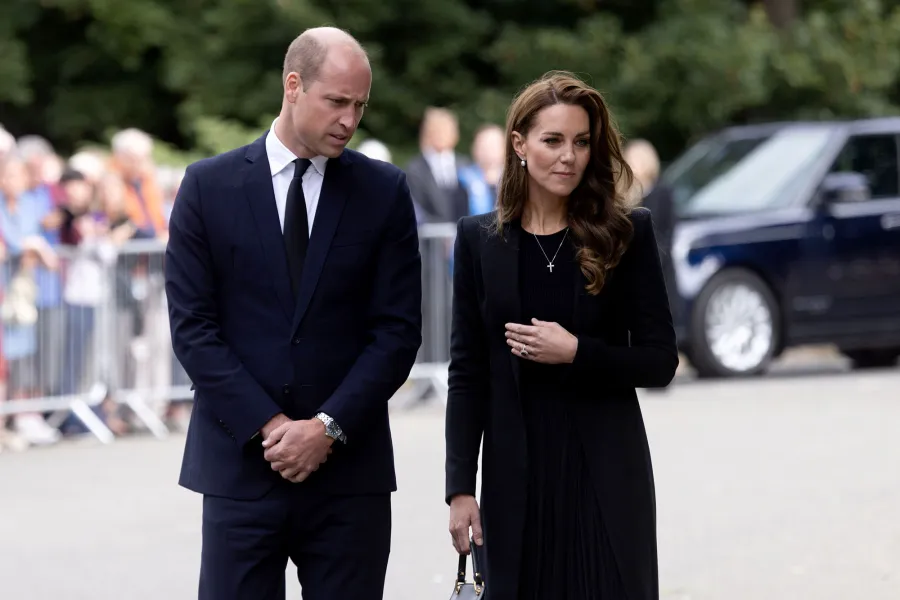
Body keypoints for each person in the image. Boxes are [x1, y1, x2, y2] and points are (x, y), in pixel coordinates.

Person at [165, 27, 422, 600]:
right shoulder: (208, 187)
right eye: (337, 101)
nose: (349, 120)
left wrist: (326, 429)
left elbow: (398, 333)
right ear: (293, 85)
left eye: (360, 105)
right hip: (239, 471)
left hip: (349, 477)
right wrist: (273, 428)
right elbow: (193, 328)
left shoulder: (384, 191)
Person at [445, 71, 678, 600]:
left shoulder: (626, 233)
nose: (568, 156)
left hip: (606, 476)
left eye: (581, 141)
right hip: (515, 481)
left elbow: (660, 361)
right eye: (552, 140)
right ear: (519, 144)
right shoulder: (480, 242)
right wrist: (460, 487)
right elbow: (468, 373)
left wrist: (577, 353)